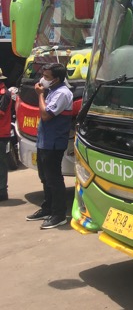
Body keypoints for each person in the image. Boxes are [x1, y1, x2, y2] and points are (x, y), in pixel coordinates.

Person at [27, 63, 73, 229]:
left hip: (54, 143)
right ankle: (47, 208)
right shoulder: (53, 91)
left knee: (54, 178)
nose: (43, 80)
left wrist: (40, 95)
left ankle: (59, 214)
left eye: (46, 77)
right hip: (44, 141)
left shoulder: (62, 93)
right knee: (44, 177)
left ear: (57, 79)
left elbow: (46, 115)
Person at [0, 68, 12, 201]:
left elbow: (1, 112)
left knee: (1, 164)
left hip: (1, 134)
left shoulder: (4, 93)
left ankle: (2, 191)